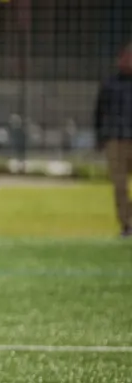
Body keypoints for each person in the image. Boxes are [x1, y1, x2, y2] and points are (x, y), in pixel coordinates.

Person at [95, 42, 132, 238]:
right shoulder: (109, 84)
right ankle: (127, 225)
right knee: (120, 186)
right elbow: (99, 112)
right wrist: (100, 137)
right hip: (115, 140)